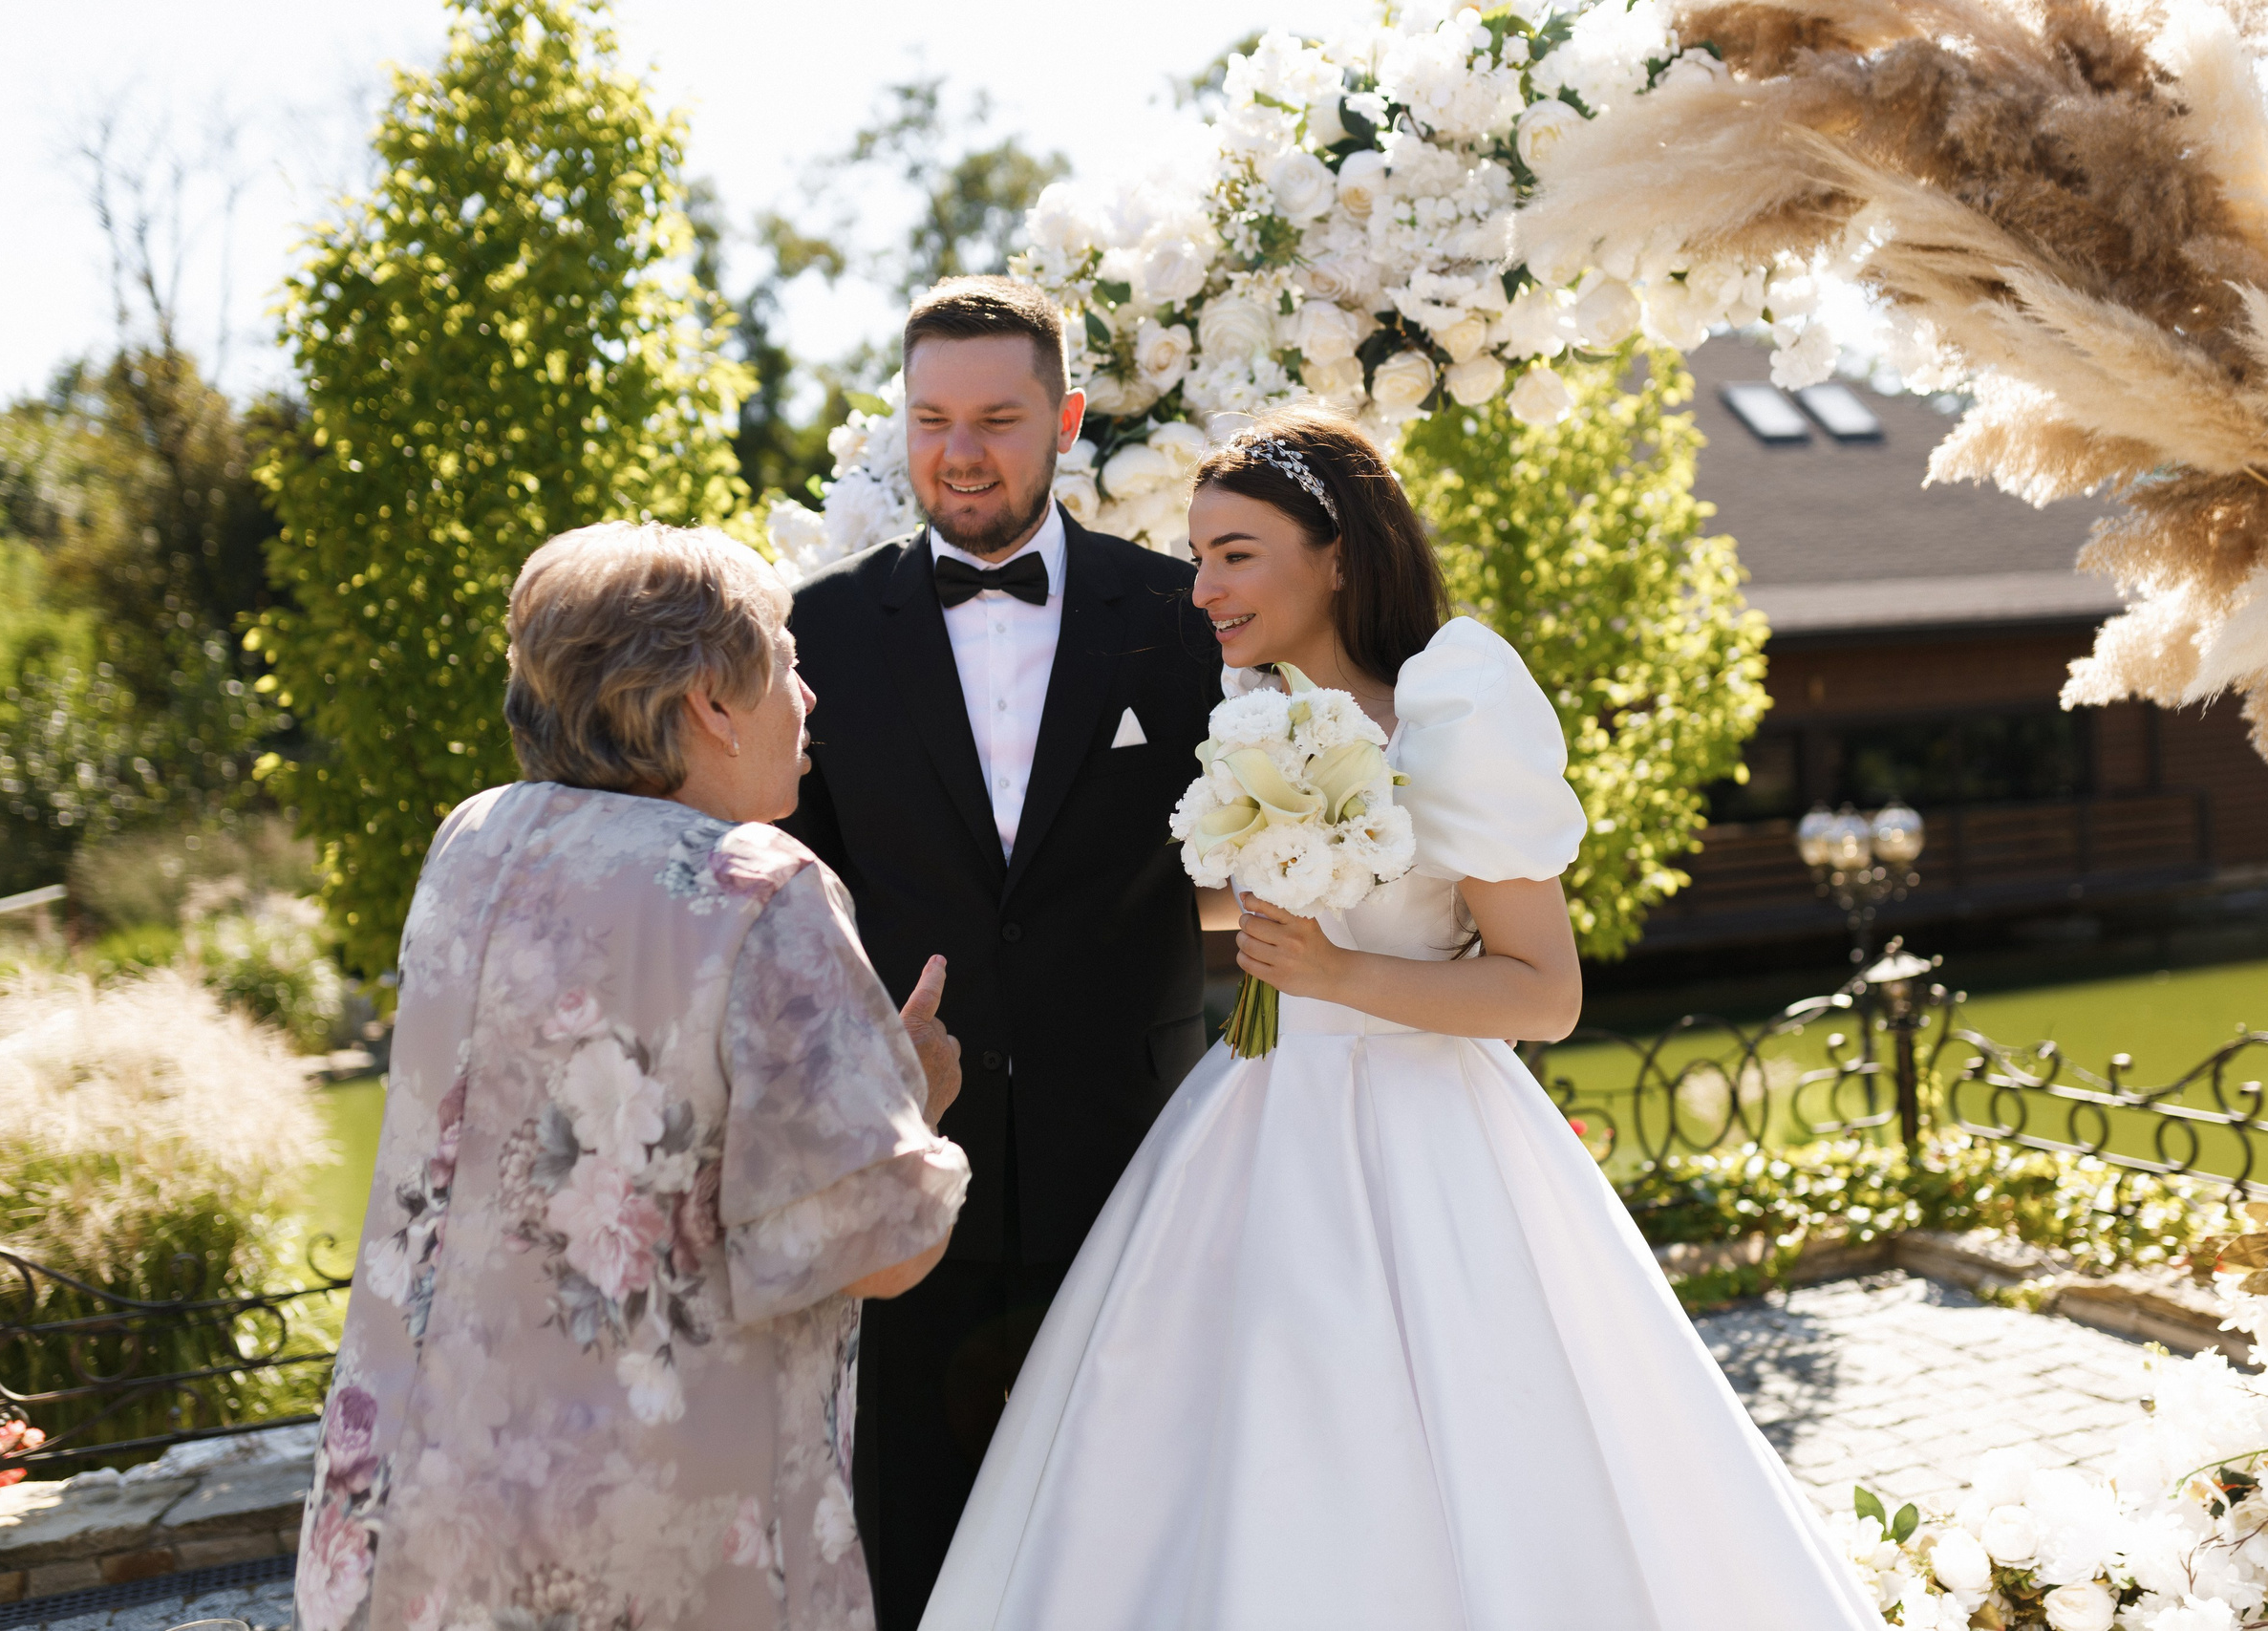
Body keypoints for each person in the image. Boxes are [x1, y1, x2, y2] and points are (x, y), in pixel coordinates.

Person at [920, 407, 1882, 1630]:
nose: (1203, 588)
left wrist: (1337, 974)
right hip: (1251, 1120)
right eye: (1199, 556)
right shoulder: (1244, 716)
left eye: (1235, 554)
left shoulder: (1450, 719)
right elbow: (1242, 901)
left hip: (1435, 1137)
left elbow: (1544, 991)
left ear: (1337, 557)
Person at [292, 523, 969, 1631]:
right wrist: (915, 1098)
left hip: (428, 1501)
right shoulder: (760, 887)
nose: (808, 699)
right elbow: (881, 1249)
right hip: (655, 1525)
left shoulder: (473, 841)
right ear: (713, 703)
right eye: (789, 664)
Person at [780, 275, 1223, 1629]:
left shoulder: (1188, 617)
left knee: (1141, 1540)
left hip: (1139, 1162)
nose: (960, 452)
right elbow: (791, 897)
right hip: (912, 1173)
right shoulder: (813, 632)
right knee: (917, 1547)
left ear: (1067, 421)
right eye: (932, 420)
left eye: (997, 419)